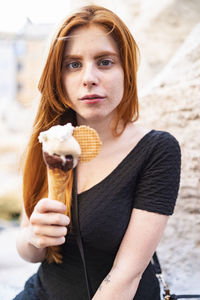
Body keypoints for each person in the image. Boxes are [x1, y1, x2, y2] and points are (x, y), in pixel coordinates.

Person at [14, 4, 181, 300]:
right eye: (73, 64)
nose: (88, 77)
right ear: (59, 77)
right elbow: (31, 252)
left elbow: (126, 276)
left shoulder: (157, 150)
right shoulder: (49, 141)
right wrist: (34, 236)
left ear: (126, 70)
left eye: (104, 62)